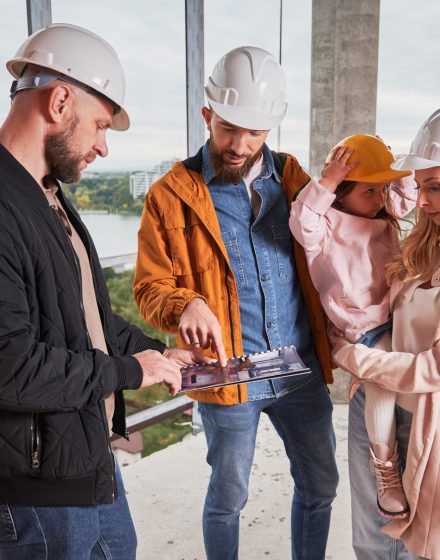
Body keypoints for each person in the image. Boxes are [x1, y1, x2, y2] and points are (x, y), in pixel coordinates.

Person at [0, 23, 204, 560]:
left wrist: (154, 353)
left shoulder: (48, 197)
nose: (103, 147)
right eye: (99, 126)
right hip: (34, 492)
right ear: (60, 100)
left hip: (85, 457)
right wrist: (130, 373)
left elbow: (86, 317)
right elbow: (9, 365)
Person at [134, 45, 339, 560]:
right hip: (226, 375)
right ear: (208, 115)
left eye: (254, 132)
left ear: (271, 128)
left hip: (298, 366)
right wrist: (183, 305)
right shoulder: (169, 195)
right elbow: (148, 287)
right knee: (228, 500)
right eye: (228, 127)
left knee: (321, 487)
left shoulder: (293, 180)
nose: (239, 144)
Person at [289, 134, 417, 519]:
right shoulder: (325, 224)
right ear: (341, 194)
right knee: (384, 379)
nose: (379, 197)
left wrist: (395, 164)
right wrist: (326, 181)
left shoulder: (383, 212)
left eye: (381, 189)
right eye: (368, 190)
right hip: (360, 324)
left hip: (397, 315)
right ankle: (385, 467)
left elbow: (405, 195)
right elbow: (302, 221)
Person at [332, 108, 440, 560]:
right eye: (420, 186)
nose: (422, 201)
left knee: (421, 543)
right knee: (371, 538)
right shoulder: (422, 240)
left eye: (433, 188)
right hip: (374, 401)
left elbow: (431, 369)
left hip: (425, 422)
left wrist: (349, 356)